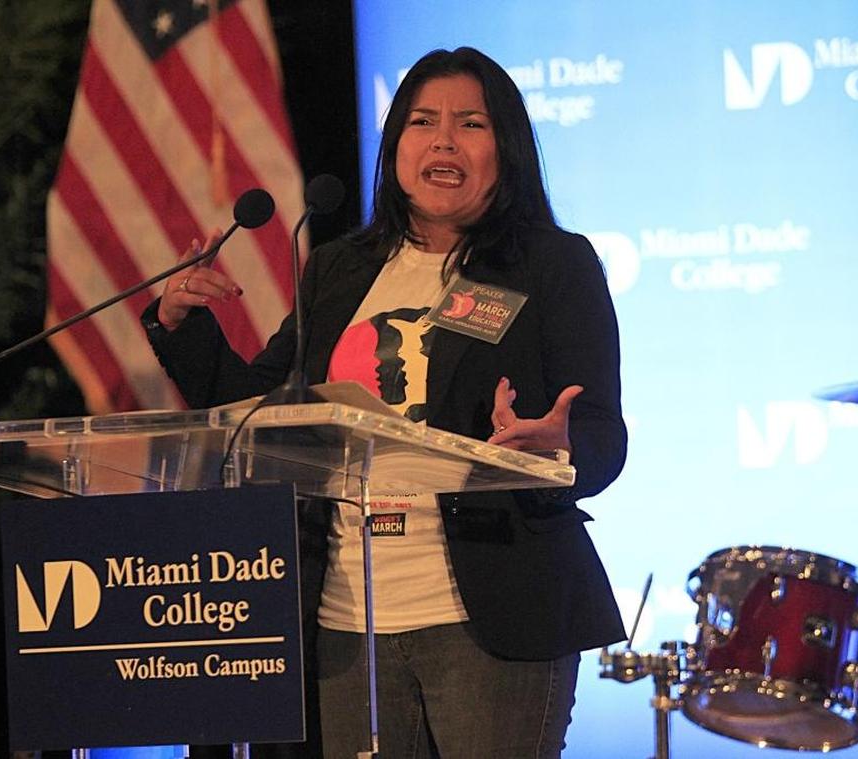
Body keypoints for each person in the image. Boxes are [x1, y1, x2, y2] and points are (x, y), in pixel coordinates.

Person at [142, 46, 627, 759]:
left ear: (508, 150)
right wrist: (184, 329)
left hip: (489, 615)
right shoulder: (339, 269)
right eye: (423, 121)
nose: (443, 140)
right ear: (396, 145)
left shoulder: (552, 264)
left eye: (471, 124)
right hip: (347, 620)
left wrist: (555, 449)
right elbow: (260, 411)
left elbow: (601, 432)